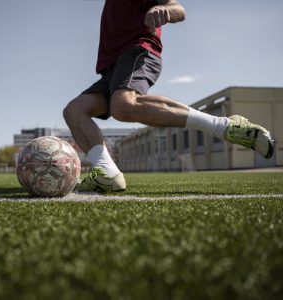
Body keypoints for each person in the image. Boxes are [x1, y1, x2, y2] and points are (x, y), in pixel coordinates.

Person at [63, 0, 274, 193]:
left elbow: (178, 8)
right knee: (75, 111)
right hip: (112, 68)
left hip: (137, 50)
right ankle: (107, 172)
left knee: (123, 106)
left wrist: (163, 10)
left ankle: (226, 126)